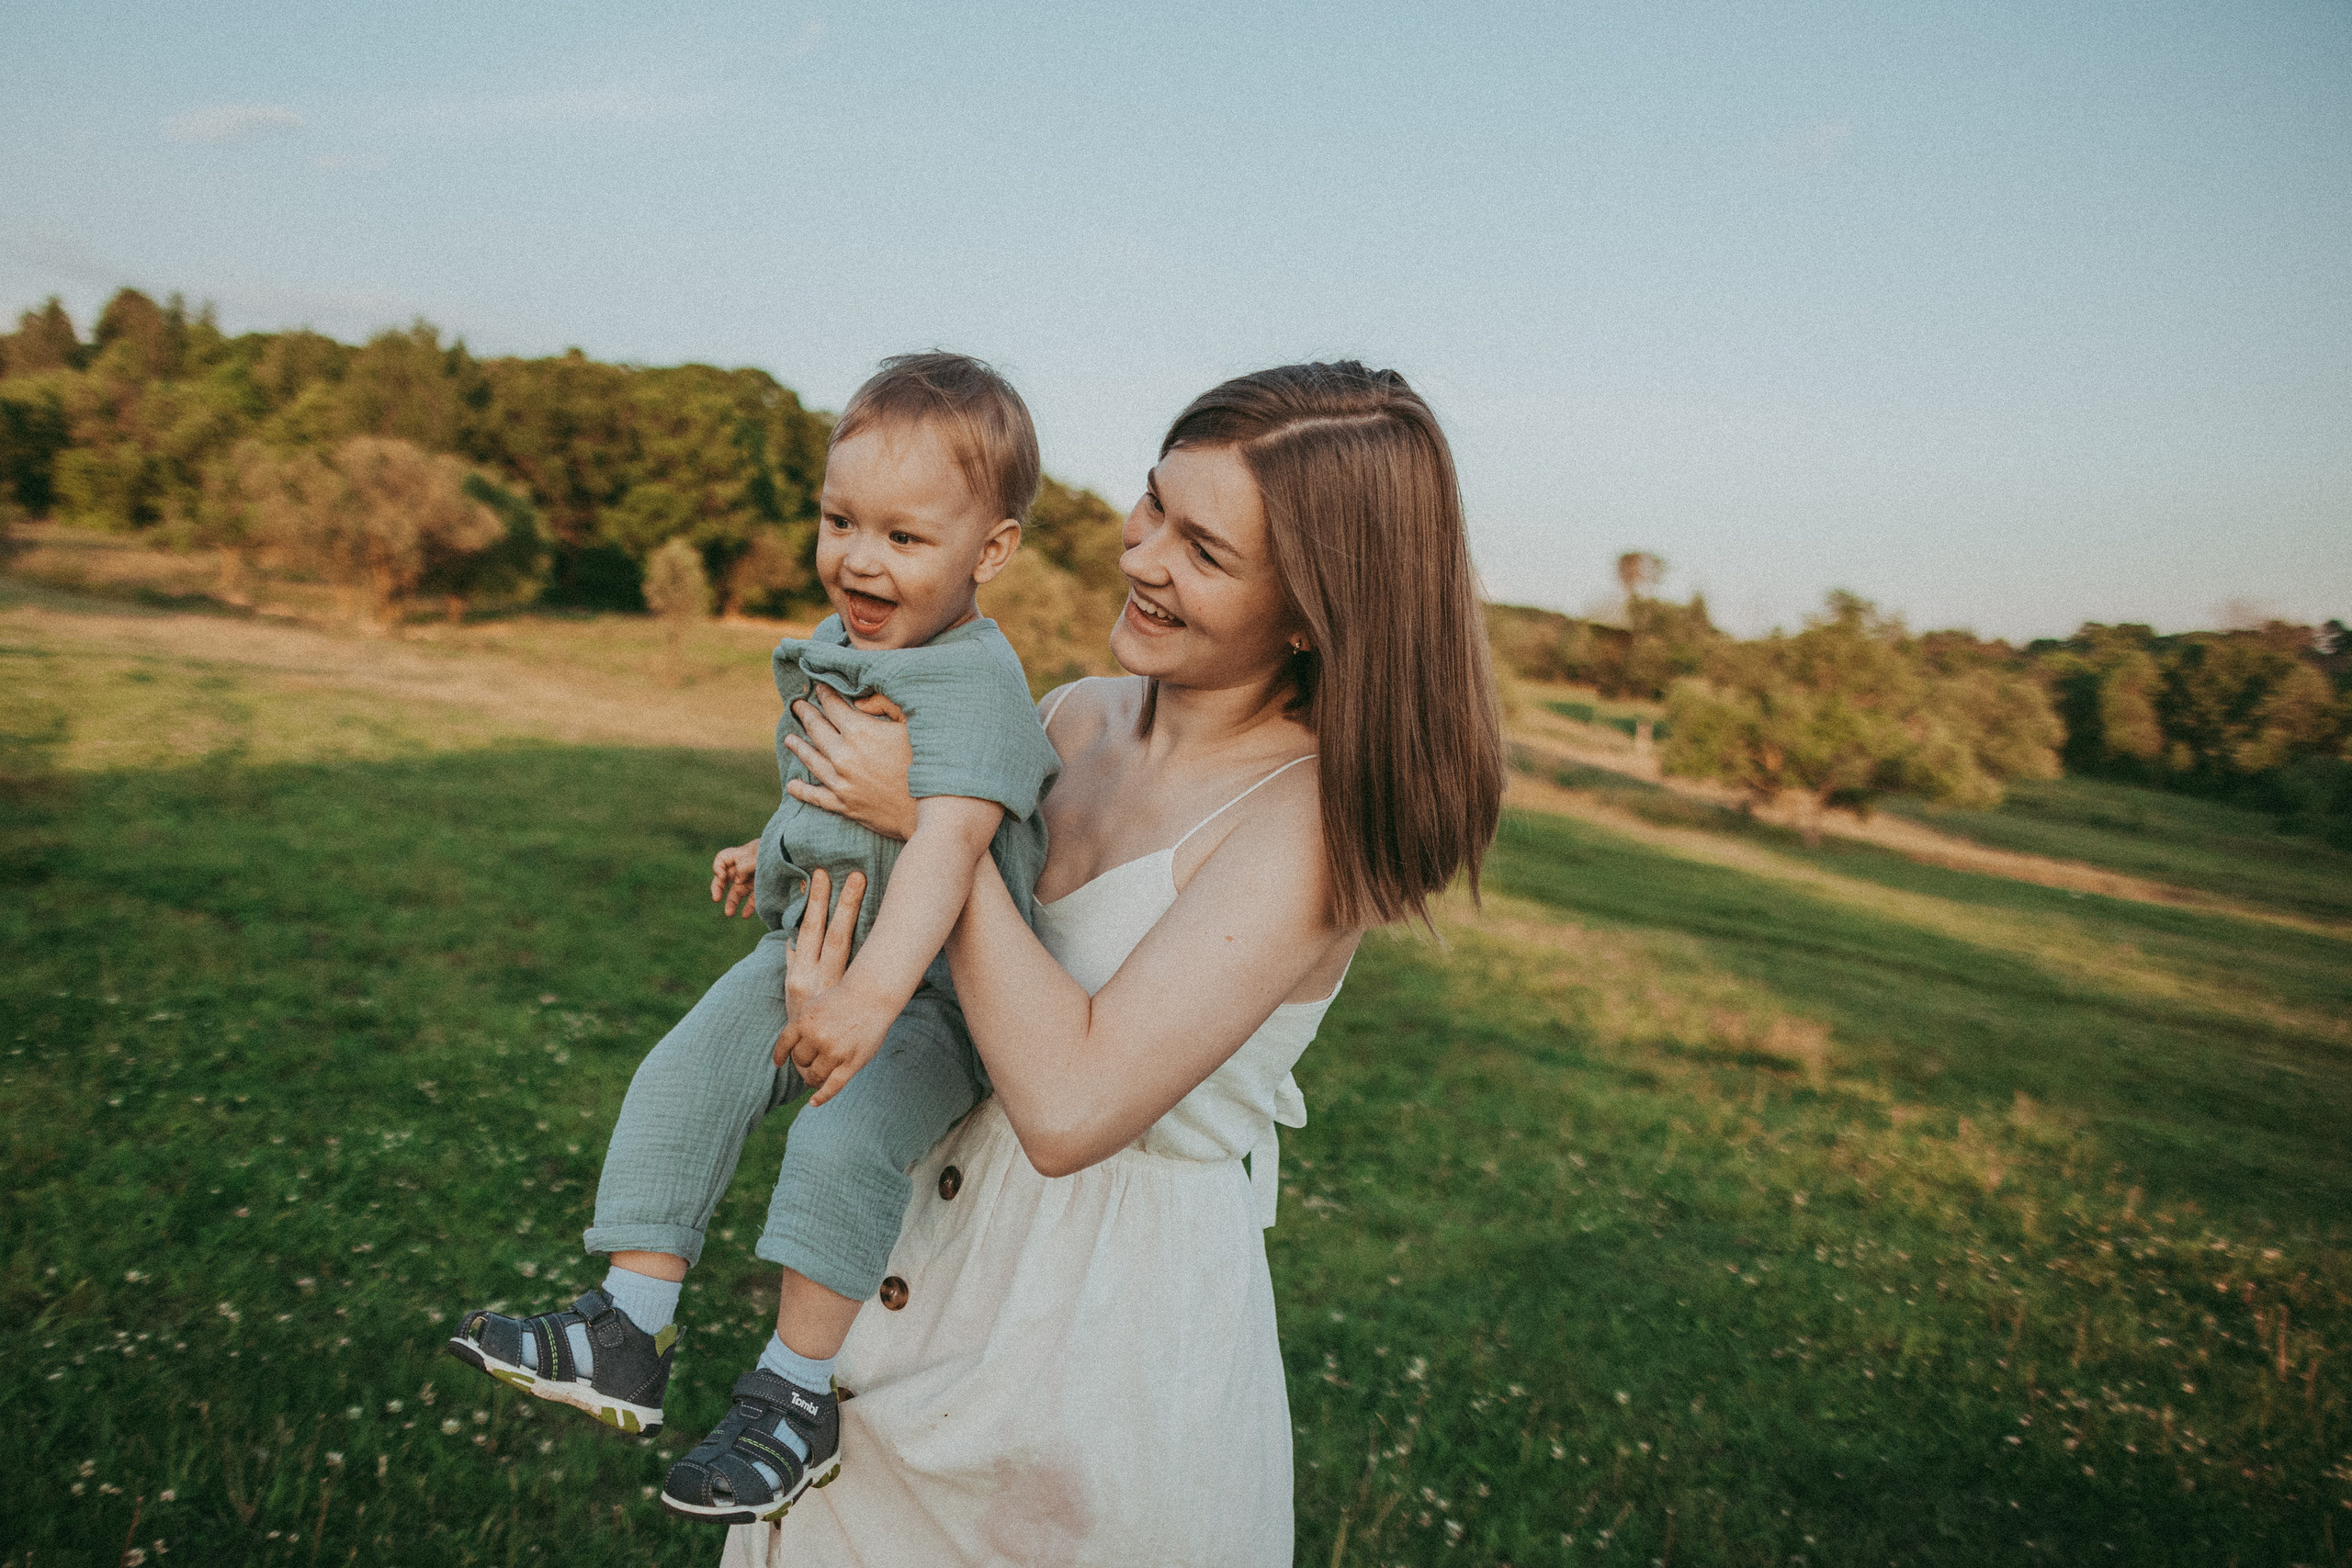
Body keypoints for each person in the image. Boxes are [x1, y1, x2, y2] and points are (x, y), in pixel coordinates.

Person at [729, 362, 1506, 1565]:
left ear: (1309, 608)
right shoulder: (1074, 717)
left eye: (1203, 549)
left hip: (1093, 1346)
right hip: (902, 1274)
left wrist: (933, 828)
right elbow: (939, 973)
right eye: (1152, 506)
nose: (1141, 555)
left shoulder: (1307, 823)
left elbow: (1072, 1103)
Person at [443, 353, 1062, 1526]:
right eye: (840, 520)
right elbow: (846, 797)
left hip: (927, 997)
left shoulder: (976, 681)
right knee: (681, 1073)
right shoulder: (856, 640)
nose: (860, 559)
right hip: (808, 951)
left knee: (838, 1138)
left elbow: (942, 853)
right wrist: (770, 843)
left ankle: (793, 1391)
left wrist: (870, 1005)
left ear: (991, 552)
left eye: (905, 538)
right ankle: (628, 1323)